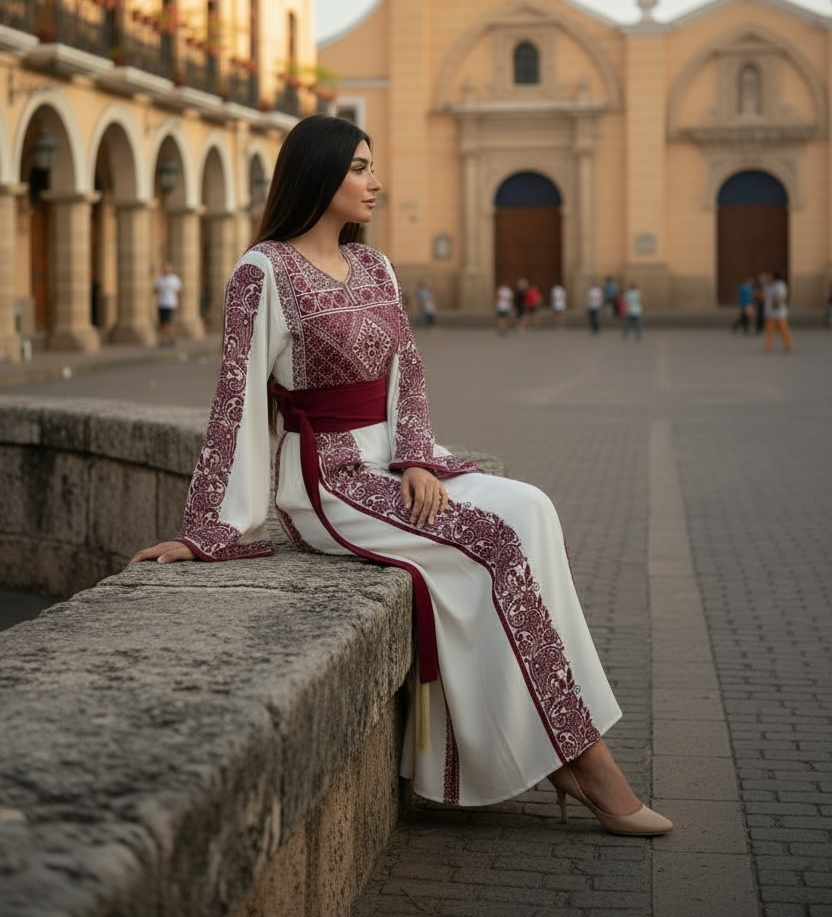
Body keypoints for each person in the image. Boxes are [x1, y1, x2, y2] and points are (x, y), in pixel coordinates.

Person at [130, 115, 671, 835]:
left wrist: (417, 456)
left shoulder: (376, 267)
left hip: (397, 459)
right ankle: (585, 762)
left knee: (533, 508)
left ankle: (559, 744)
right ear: (318, 175)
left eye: (373, 166)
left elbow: (408, 373)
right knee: (494, 542)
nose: (375, 182)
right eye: (358, 168)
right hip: (331, 480)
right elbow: (235, 400)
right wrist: (206, 531)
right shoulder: (263, 272)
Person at [763, 271, 794, 353]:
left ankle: (788, 345)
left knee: (783, 330)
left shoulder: (780, 285)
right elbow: (765, 295)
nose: (768, 278)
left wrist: (778, 302)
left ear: (774, 277)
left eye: (769, 276)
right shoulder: (767, 285)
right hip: (769, 312)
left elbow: (782, 296)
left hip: (779, 313)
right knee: (769, 331)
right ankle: (768, 346)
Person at [153, 260, 182, 347]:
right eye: (164, 268)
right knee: (162, 323)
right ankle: (164, 339)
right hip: (162, 304)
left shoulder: (174, 279)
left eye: (167, 268)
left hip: (170, 304)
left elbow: (179, 290)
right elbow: (155, 290)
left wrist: (176, 300)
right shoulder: (160, 279)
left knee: (169, 322)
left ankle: (170, 338)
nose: (166, 270)